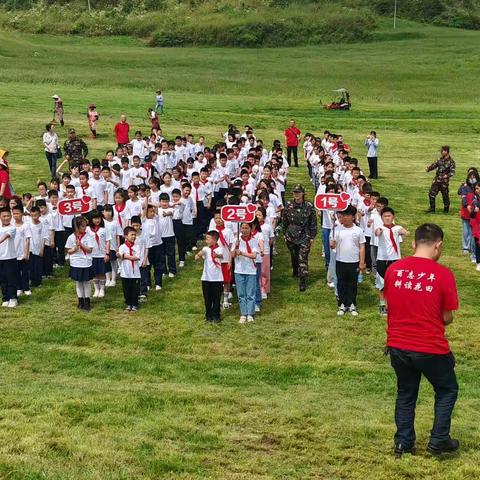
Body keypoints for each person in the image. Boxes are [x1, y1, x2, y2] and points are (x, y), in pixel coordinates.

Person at [384, 223, 460, 457]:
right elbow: (447, 318)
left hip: (397, 344)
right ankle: (439, 440)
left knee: (406, 393)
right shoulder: (442, 274)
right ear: (438, 245)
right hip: (430, 346)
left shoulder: (394, 270)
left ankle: (403, 443)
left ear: (414, 243)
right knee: (447, 389)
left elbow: (389, 305)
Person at [330, 205, 366, 316]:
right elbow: (333, 245)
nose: (344, 218)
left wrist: (361, 262)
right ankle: (342, 304)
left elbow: (362, 247)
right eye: (343, 215)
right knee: (341, 283)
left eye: (347, 215)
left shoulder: (358, 230)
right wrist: (332, 244)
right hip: (341, 260)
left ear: (353, 217)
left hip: (353, 261)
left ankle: (351, 304)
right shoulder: (337, 229)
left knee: (352, 284)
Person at [374, 207, 409, 315]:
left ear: (393, 217)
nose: (387, 218)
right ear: (382, 217)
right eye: (385, 216)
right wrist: (378, 232)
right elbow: (377, 232)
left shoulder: (396, 228)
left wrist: (405, 232)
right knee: (382, 284)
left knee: (395, 284)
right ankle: (382, 305)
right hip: (382, 259)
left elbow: (402, 231)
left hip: (395, 259)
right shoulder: (380, 227)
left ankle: (394, 305)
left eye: (389, 216)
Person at [283, 184, 317, 291]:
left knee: (303, 257)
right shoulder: (288, 205)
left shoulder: (308, 206)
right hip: (291, 234)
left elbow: (313, 222)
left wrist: (312, 236)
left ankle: (302, 280)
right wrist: (285, 234)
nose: (296, 195)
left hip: (304, 234)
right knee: (294, 255)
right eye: (295, 192)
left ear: (303, 193)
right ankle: (295, 269)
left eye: (298, 192)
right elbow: (285, 221)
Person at [65, 216, 95, 311]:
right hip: (75, 262)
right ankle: (80, 300)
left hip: (86, 262)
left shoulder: (89, 236)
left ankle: (87, 301)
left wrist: (81, 245)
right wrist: (74, 248)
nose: (85, 228)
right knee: (78, 282)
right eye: (82, 226)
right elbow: (68, 251)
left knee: (86, 282)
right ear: (76, 227)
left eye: (85, 226)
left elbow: (90, 250)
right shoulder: (71, 237)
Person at [195, 230, 224, 323]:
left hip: (217, 278)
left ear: (214, 240)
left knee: (216, 298)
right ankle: (208, 315)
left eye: (208, 239)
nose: (206, 240)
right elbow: (202, 252)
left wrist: (217, 255)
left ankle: (216, 315)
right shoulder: (206, 249)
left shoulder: (219, 249)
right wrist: (198, 255)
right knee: (207, 298)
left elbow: (221, 255)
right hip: (206, 278)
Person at [233, 222, 259, 324]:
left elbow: (254, 255)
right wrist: (235, 247)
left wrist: (242, 253)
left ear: (250, 229)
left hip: (250, 270)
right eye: (242, 228)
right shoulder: (237, 240)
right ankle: (243, 313)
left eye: (246, 228)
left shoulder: (254, 241)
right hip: (239, 270)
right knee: (241, 293)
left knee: (250, 293)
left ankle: (250, 314)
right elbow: (233, 255)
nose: (244, 230)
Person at [426, 146, 456, 213]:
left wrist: (447, 176)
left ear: (446, 151)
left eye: (442, 151)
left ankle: (446, 209)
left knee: (445, 195)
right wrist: (428, 169)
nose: (441, 152)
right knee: (431, 193)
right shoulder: (439, 159)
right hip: (437, 180)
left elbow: (452, 172)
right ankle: (432, 209)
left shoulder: (451, 162)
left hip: (444, 182)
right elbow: (434, 165)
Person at [118, 226, 141, 312]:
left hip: (135, 272)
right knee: (126, 289)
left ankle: (134, 304)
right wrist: (121, 256)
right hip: (125, 272)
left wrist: (125, 256)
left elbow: (137, 257)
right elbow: (120, 256)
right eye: (132, 235)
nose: (134, 236)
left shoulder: (137, 246)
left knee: (135, 289)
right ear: (126, 236)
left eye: (135, 235)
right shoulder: (122, 247)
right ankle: (128, 303)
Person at [0, 207, 18, 308]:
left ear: (11, 217)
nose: (6, 218)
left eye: (8, 216)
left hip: (10, 257)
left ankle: (13, 298)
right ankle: (5, 298)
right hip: (0, 258)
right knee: (3, 279)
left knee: (11, 278)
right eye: (4, 216)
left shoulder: (12, 228)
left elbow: (5, 237)